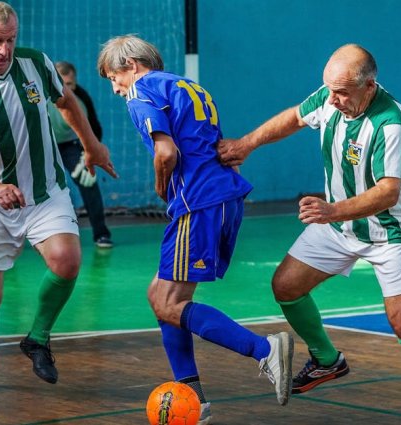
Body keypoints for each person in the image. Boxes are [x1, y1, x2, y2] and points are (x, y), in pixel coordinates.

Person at [217, 44, 401, 425]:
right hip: (339, 224)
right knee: (286, 285)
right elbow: (295, 118)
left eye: (343, 92)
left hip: (390, 230)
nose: (333, 100)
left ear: (369, 86)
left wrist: (330, 210)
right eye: (330, 90)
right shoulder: (331, 96)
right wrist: (247, 144)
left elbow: (388, 192)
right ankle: (327, 361)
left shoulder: (388, 121)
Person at [97, 35, 295, 424]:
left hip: (198, 203)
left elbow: (166, 152)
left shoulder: (141, 92)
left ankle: (265, 350)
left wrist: (159, 185)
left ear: (131, 65)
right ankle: (192, 397)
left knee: (169, 303)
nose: (115, 88)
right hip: (222, 196)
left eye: (112, 78)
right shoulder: (189, 86)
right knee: (160, 295)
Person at [0, 1, 117, 396]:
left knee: (67, 260)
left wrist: (91, 145)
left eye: (10, 39)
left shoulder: (35, 63)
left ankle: (37, 338)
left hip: (45, 191)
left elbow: (67, 102)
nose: (4, 50)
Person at [47, 61, 114, 248]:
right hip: (44, 145)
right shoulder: (38, 94)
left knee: (89, 181)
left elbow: (94, 127)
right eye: (64, 85)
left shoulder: (81, 96)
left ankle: (101, 234)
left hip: (71, 145)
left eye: (71, 85)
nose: (68, 89)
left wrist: (88, 154)